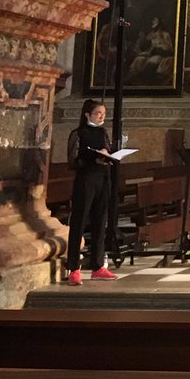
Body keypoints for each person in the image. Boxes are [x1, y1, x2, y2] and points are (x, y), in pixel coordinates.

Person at [64, 99, 119, 285]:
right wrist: (93, 158)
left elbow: (108, 150)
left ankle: (98, 266)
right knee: (79, 222)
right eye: (98, 113)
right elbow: (73, 161)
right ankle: (73, 268)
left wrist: (109, 156)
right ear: (87, 114)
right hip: (86, 180)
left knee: (100, 221)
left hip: (103, 179)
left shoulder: (102, 132)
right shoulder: (79, 133)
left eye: (104, 113)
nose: (102, 116)